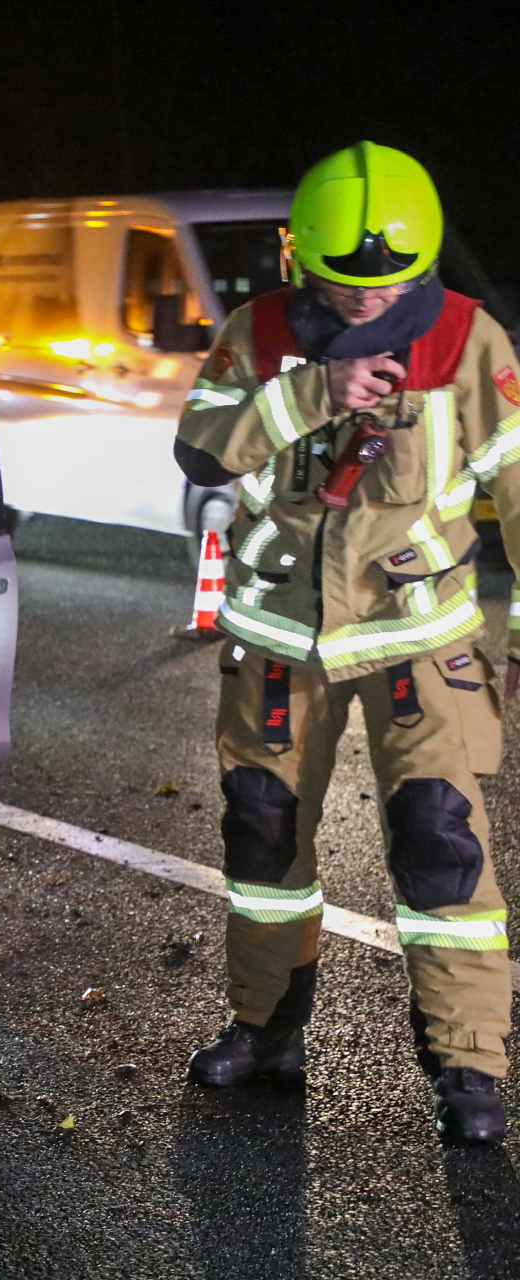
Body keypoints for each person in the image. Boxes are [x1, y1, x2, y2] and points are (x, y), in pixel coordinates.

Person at [174, 142, 520, 1145]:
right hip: (276, 642)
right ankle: (264, 1028)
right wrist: (316, 391)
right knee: (262, 841)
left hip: (421, 646)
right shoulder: (260, 330)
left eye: (390, 285)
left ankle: (469, 1066)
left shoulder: (469, 342)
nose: (368, 303)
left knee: (442, 852)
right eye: (344, 283)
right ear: (302, 257)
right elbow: (201, 445)